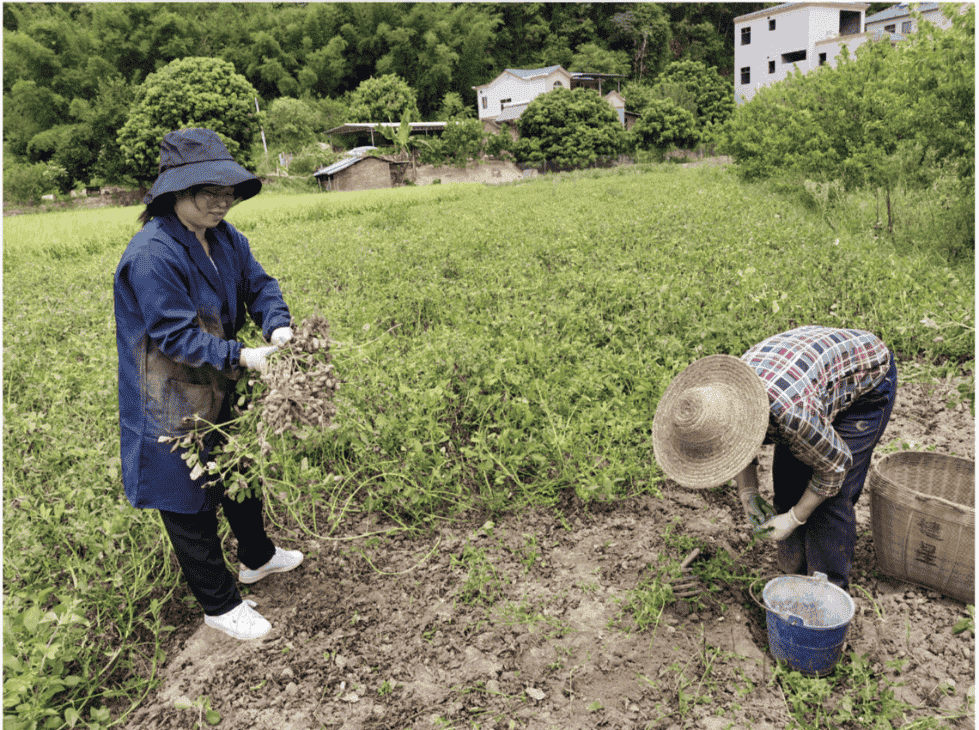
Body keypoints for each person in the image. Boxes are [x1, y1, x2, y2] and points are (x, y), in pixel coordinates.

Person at [115, 128, 303, 640]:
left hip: (219, 378)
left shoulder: (224, 238)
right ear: (176, 193)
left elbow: (258, 284)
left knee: (239, 467)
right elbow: (175, 336)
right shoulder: (153, 254)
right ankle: (219, 605)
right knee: (186, 495)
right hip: (168, 392)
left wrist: (277, 324)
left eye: (229, 191)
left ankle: (258, 558)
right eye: (209, 191)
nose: (223, 200)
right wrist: (243, 354)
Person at [652, 325, 897, 591]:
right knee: (789, 483)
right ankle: (791, 572)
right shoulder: (722, 397)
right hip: (807, 380)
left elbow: (835, 467)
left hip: (866, 380)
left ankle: (825, 590)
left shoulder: (792, 415)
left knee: (831, 501)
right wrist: (748, 492)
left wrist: (794, 518)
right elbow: (733, 448)